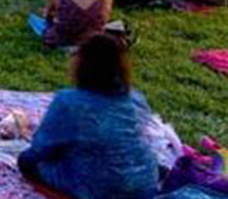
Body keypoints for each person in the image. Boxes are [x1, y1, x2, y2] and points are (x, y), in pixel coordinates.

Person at [18, 34, 159, 199]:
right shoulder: (136, 98)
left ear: (82, 65)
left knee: (27, 162)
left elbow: (41, 149)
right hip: (144, 185)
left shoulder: (69, 102)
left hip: (98, 190)